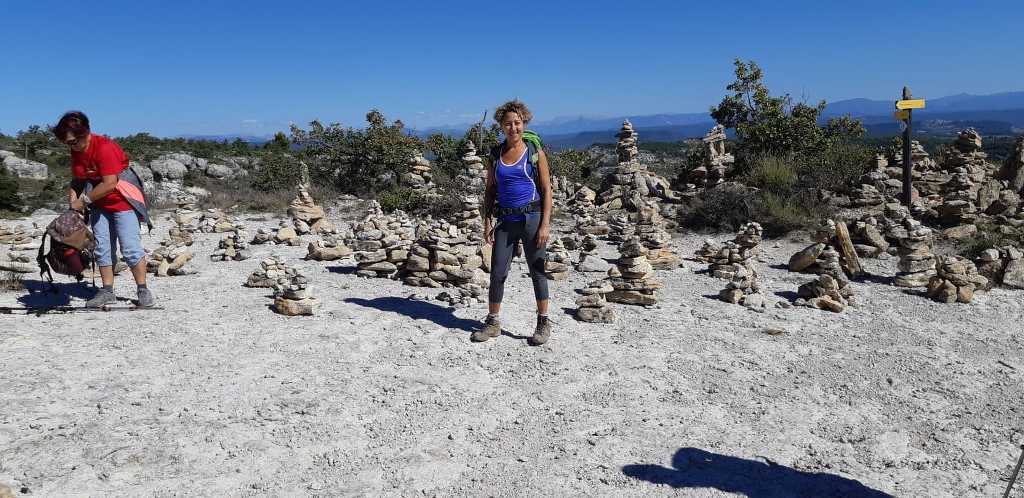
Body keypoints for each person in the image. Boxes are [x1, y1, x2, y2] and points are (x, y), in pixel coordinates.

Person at [472, 100, 553, 345]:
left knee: (537, 270)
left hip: (532, 217)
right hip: (506, 220)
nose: (513, 128)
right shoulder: (496, 155)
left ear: (524, 124)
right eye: (508, 123)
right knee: (497, 272)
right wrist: (486, 222)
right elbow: (489, 191)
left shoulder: (534, 153)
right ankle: (493, 322)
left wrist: (545, 224)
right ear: (501, 126)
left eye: (517, 123)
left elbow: (547, 190)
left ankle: (543, 322)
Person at [54, 111, 155, 308]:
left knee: (130, 248)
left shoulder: (105, 148)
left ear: (85, 133)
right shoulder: (76, 150)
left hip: (122, 202)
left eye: (73, 141)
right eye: (67, 143)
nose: (71, 146)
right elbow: (78, 179)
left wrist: (82, 202)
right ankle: (107, 291)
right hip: (99, 205)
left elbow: (110, 183)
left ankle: (143, 290)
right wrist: (72, 204)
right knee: (102, 249)